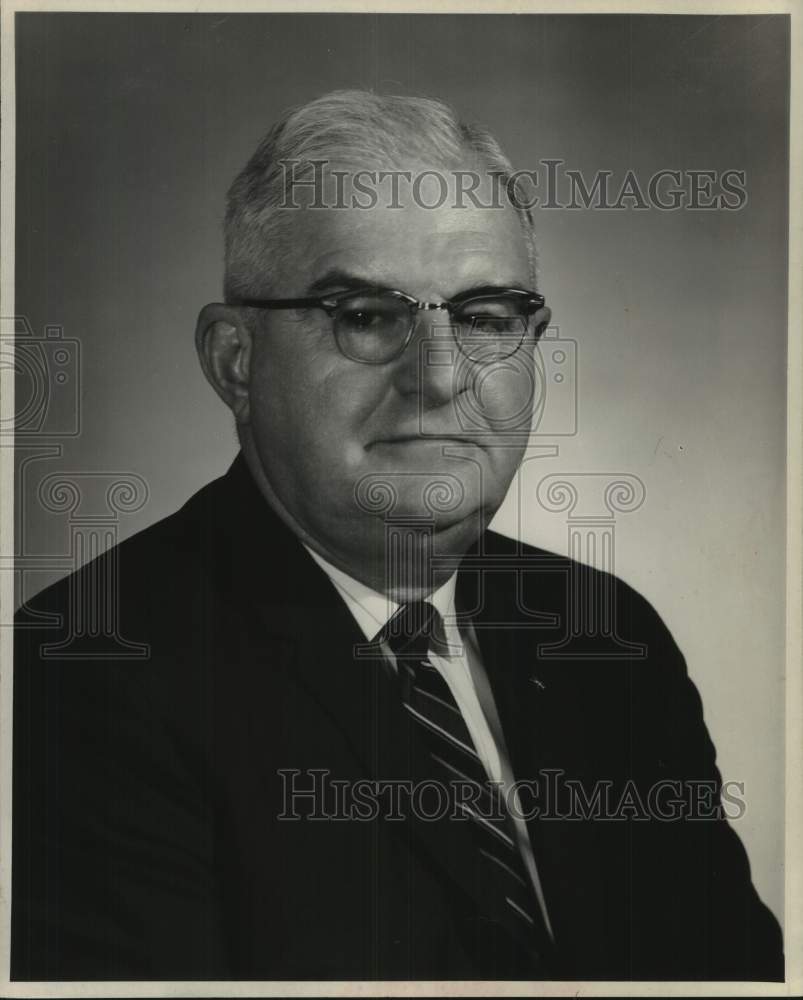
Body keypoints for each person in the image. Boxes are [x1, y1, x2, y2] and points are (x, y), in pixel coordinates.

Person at [12, 90, 783, 982]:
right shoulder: (87, 674)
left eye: (486, 316)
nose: (440, 375)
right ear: (235, 361)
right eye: (366, 315)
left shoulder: (606, 636)